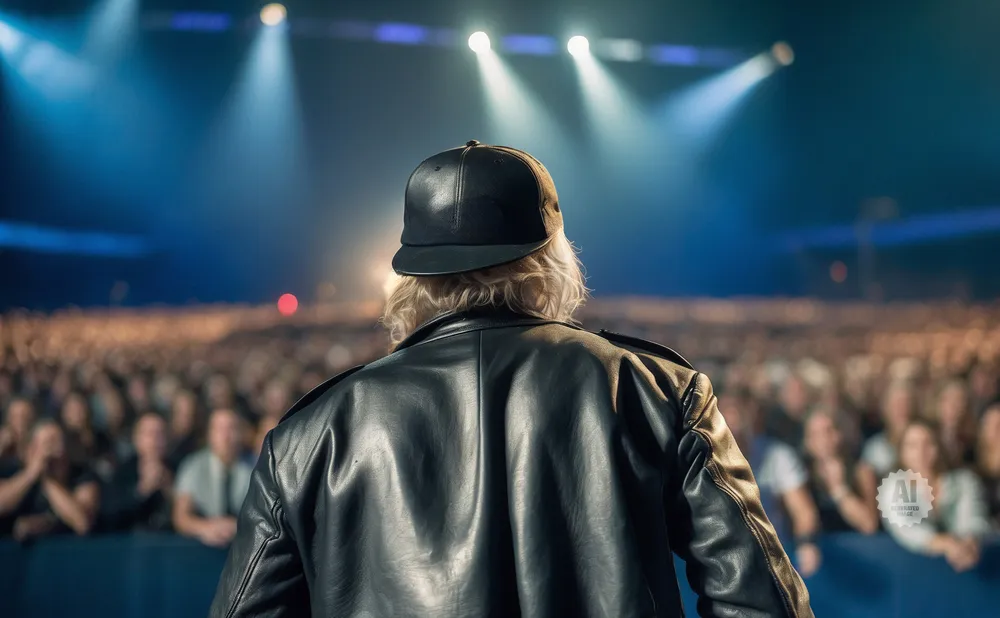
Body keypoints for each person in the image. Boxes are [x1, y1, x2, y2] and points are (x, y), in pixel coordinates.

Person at [211, 141, 812, 617]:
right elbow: (760, 601)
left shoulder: (311, 435)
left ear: (413, 277)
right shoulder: (654, 391)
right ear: (552, 259)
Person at [718, 387, 823, 576]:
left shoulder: (779, 455)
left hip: (771, 564)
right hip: (720, 565)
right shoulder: (699, 458)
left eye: (737, 416)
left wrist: (806, 542)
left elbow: (803, 511)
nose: (732, 427)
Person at [886, 419, 991, 572]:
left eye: (928, 443)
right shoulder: (894, 487)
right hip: (912, 573)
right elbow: (907, 527)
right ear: (902, 452)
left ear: (940, 447)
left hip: (968, 568)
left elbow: (972, 519)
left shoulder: (965, 481)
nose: (921, 452)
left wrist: (968, 543)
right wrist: (948, 544)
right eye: (912, 446)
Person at [0, 420, 100, 540]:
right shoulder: (14, 473)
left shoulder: (83, 476)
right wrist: (31, 474)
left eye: (60, 442)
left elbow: (82, 523)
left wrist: (47, 479)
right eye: (49, 443)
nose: (56, 449)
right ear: (31, 450)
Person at [172, 408, 252, 547]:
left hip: (245, 549)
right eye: (220, 429)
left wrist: (240, 526)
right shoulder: (193, 466)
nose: (226, 436)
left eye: (231, 428)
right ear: (210, 434)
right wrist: (206, 528)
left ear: (240, 433)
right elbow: (180, 517)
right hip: (201, 551)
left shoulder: (255, 467)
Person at [801, 409, 879, 534]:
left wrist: (838, 489)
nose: (823, 439)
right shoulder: (801, 474)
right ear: (808, 442)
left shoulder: (861, 471)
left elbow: (869, 525)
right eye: (815, 434)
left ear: (839, 434)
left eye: (828, 431)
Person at [99, 413, 174, 532]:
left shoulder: (181, 468)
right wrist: (142, 491)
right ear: (137, 439)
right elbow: (110, 516)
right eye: (149, 434)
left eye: (160, 434)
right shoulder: (121, 473)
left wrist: (170, 490)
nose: (155, 440)